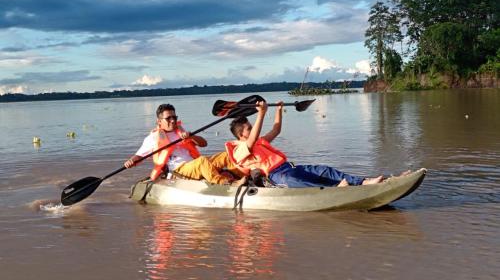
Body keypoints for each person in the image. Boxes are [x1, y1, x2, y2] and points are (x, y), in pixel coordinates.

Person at [225, 101, 384, 188]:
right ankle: (336, 189)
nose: (252, 130)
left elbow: (276, 130)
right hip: (276, 176)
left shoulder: (260, 141)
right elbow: (251, 140)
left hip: (289, 167)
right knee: (299, 182)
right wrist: (262, 113)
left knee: (323, 170)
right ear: (241, 135)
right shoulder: (239, 150)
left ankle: (363, 182)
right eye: (249, 128)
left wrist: (278, 110)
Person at [125, 103, 244, 185]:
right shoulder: (153, 138)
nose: (172, 120)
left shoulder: (181, 131)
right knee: (202, 161)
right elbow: (139, 156)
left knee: (226, 155)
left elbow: (204, 144)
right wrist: (131, 161)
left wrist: (191, 136)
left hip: (193, 164)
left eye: (174, 117)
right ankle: (227, 183)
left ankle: (242, 176)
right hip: (179, 170)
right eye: (168, 118)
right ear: (159, 121)